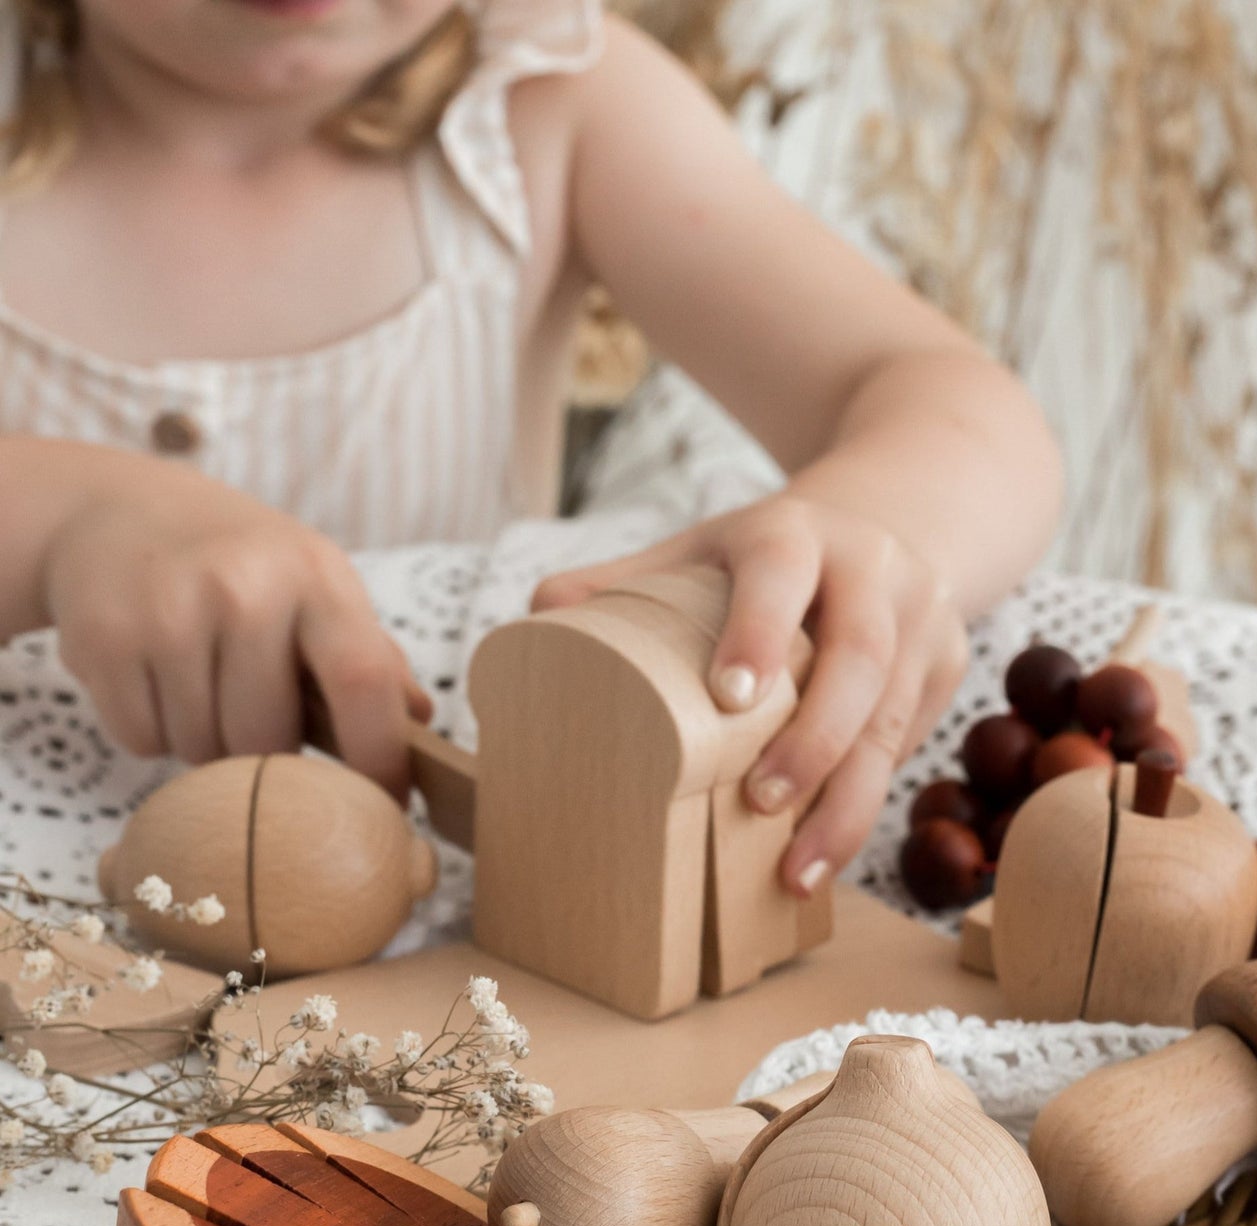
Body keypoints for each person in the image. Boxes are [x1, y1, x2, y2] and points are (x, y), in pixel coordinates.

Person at [0, 0, 1061, 896]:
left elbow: (960, 409)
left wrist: (869, 535)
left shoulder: (546, 101)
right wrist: (63, 523)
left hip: (419, 935)